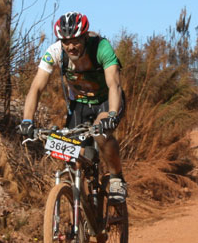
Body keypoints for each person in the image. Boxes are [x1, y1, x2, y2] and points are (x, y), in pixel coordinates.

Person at [18, 11, 127, 204]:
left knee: (102, 134)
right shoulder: (54, 52)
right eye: (65, 41)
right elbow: (36, 87)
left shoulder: (101, 48)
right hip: (79, 105)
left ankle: (116, 177)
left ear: (85, 37)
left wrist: (111, 115)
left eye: (75, 40)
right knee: (73, 153)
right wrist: (27, 121)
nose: (70, 46)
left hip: (106, 100)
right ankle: (83, 208)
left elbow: (114, 85)